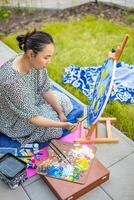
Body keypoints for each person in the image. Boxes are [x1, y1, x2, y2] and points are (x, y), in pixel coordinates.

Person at [0, 30, 78, 145]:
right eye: (46, 57)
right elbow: (32, 118)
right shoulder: (12, 82)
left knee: (64, 101)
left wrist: (60, 112)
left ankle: (50, 114)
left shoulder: (34, 63)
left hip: (30, 99)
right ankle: (48, 117)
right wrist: (63, 125)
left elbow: (45, 89)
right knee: (55, 130)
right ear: (31, 54)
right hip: (13, 119)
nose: (49, 61)